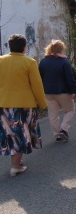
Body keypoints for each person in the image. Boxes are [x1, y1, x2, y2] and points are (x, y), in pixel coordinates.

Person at [0, 34, 47, 177]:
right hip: (24, 105)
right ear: (25, 47)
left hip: (3, 104)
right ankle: (15, 166)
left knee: (9, 134)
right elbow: (37, 85)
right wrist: (42, 103)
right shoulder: (29, 62)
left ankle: (17, 162)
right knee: (21, 134)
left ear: (9, 46)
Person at [39, 39, 76, 142]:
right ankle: (64, 129)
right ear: (61, 49)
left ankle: (57, 135)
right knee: (70, 110)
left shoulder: (43, 62)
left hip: (48, 92)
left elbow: (40, 77)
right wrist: (73, 90)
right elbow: (70, 78)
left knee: (53, 115)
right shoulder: (64, 62)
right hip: (63, 92)